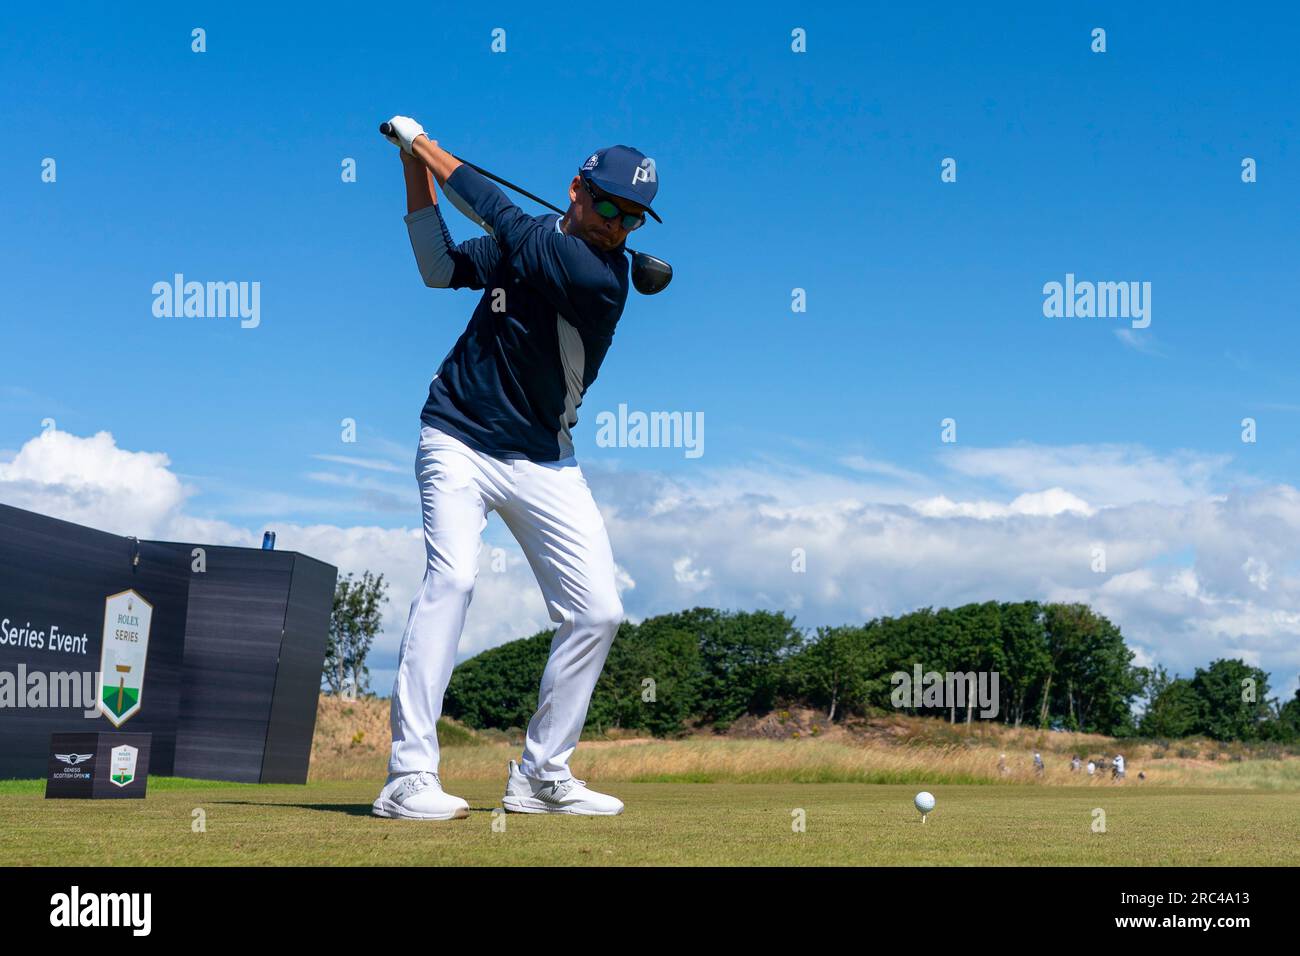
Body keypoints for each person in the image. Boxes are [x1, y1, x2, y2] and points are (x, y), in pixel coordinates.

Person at [370, 115, 662, 820]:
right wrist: (413, 166)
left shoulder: (600, 276)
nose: (618, 226)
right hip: (458, 437)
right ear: (578, 190)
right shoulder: (530, 244)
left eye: (634, 218)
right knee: (455, 580)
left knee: (598, 611)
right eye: (610, 206)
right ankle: (408, 777)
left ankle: (541, 775)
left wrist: (423, 143)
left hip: (545, 461)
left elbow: (493, 208)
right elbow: (439, 268)